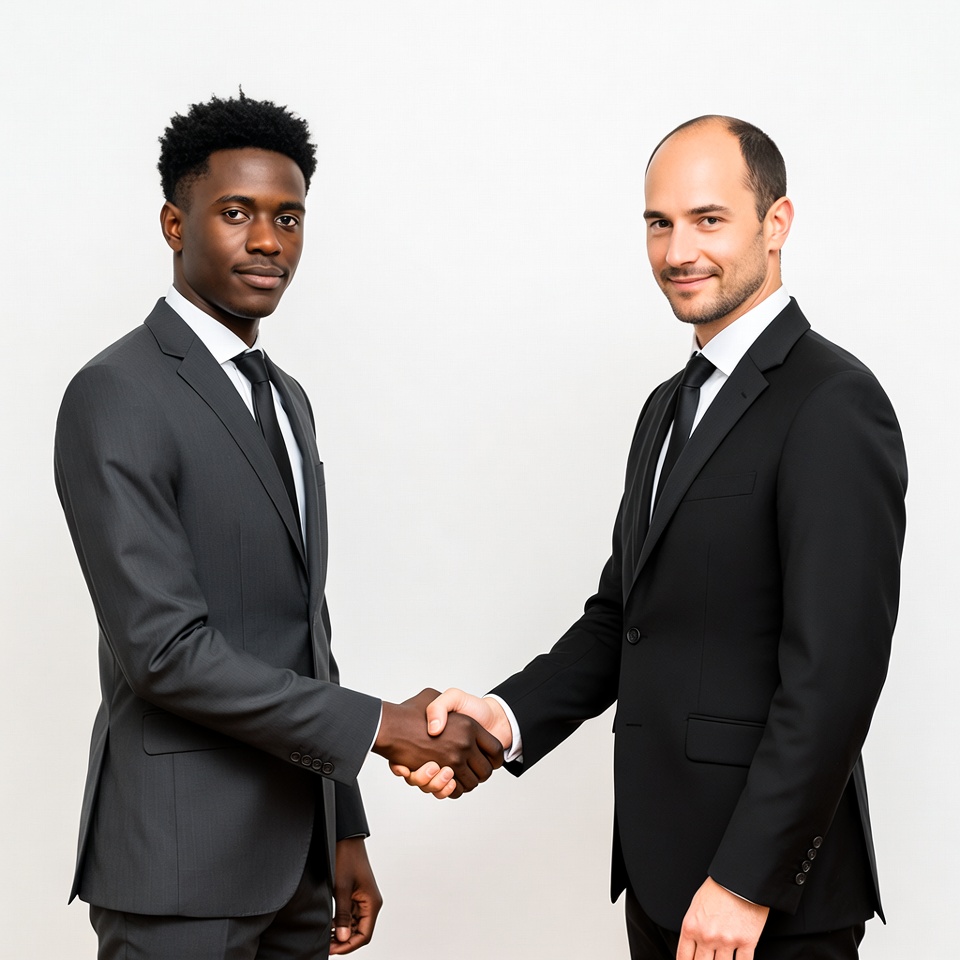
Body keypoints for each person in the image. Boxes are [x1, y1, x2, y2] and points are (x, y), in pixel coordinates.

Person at [395, 116, 907, 960]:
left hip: (764, 902)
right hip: (662, 877)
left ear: (775, 225)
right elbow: (622, 617)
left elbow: (836, 678)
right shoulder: (668, 407)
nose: (678, 250)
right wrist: (501, 716)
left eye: (709, 220)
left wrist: (747, 882)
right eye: (658, 223)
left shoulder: (833, 403)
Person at [54, 92, 502, 960]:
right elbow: (164, 651)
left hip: (298, 863)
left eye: (288, 218)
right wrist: (381, 726)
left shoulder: (284, 398)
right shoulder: (117, 393)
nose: (268, 241)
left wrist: (344, 829)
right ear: (173, 224)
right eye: (236, 213)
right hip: (178, 871)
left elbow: (305, 630)